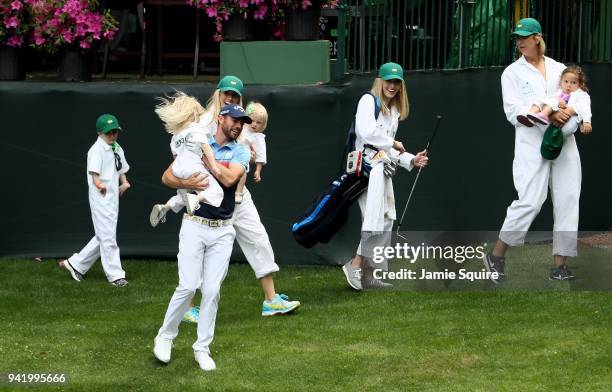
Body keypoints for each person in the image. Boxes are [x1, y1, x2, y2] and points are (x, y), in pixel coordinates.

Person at [173, 76, 299, 321]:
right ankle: (188, 307)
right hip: (206, 195)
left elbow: (241, 157)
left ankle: (270, 300)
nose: (229, 98)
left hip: (236, 195)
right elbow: (181, 158)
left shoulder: (240, 122)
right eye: (226, 93)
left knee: (258, 237)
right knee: (197, 250)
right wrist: (188, 185)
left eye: (234, 95)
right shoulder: (202, 122)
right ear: (218, 93)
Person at [482, 18, 584, 282]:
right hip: (531, 142)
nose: (520, 42)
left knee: (568, 199)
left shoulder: (558, 68)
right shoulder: (511, 73)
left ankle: (559, 266)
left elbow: (576, 98)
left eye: (524, 37)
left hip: (564, 141)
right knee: (530, 201)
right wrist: (548, 115)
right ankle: (496, 255)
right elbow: (513, 112)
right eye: (517, 37)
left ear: (537, 37)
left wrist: (566, 115)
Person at [153, 104, 251, 371]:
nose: (239, 125)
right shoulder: (196, 138)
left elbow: (230, 179)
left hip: (222, 230)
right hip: (194, 224)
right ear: (221, 119)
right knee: (187, 285)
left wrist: (210, 162)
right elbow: (167, 176)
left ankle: (202, 348)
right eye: (235, 120)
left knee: (211, 291)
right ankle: (165, 336)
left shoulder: (241, 151)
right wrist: (189, 183)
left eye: (242, 122)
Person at [341, 63, 428, 291]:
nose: (392, 86)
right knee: (374, 220)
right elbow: (366, 133)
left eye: (396, 82)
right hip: (365, 169)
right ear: (380, 80)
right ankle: (356, 264)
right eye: (388, 81)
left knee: (386, 219)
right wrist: (393, 143)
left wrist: (410, 160)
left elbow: (388, 149)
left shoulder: (394, 111)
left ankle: (369, 274)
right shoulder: (368, 100)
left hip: (383, 167)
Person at [58, 114, 131, 287]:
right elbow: (94, 173)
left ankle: (76, 265)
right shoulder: (96, 150)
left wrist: (124, 182)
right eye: (109, 133)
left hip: (113, 198)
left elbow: (121, 168)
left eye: (115, 132)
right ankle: (115, 276)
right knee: (108, 238)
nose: (113, 135)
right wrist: (99, 185)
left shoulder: (117, 148)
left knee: (103, 235)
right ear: (99, 133)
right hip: (101, 198)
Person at [149, 92, 224, 226]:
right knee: (216, 192)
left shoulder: (175, 136)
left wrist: (181, 173)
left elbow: (175, 157)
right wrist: (214, 167)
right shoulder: (197, 128)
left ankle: (164, 207)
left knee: (182, 196)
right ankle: (196, 199)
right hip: (194, 167)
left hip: (178, 169)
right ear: (194, 114)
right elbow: (206, 148)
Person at [517, 65, 593, 135]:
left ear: (579, 84)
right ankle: (531, 115)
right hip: (552, 117)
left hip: (564, 120)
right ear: (561, 82)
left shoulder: (581, 94)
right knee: (544, 101)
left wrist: (587, 121)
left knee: (553, 101)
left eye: (573, 83)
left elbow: (585, 108)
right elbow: (548, 101)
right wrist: (556, 101)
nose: (568, 85)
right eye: (566, 81)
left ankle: (543, 114)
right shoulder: (560, 92)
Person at [235, 102, 268, 203]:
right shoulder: (240, 126)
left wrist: (258, 171)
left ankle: (238, 192)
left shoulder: (258, 137)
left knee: (241, 173)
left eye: (258, 122)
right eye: (252, 120)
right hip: (229, 155)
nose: (254, 124)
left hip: (242, 159)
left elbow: (261, 155)